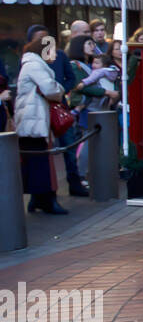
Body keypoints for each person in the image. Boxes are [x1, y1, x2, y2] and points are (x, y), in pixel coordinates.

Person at [27, 24, 87, 196]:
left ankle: (74, 183)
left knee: (69, 146)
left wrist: (60, 90)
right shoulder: (30, 59)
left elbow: (71, 79)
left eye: (46, 38)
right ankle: (42, 194)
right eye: (39, 38)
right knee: (42, 152)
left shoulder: (59, 55)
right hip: (39, 110)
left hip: (60, 107)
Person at [15, 35, 68, 214]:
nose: (55, 55)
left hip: (31, 119)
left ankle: (37, 200)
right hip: (35, 120)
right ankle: (46, 201)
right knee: (41, 162)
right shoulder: (36, 65)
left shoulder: (30, 64)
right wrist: (60, 89)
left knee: (35, 162)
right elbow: (51, 89)